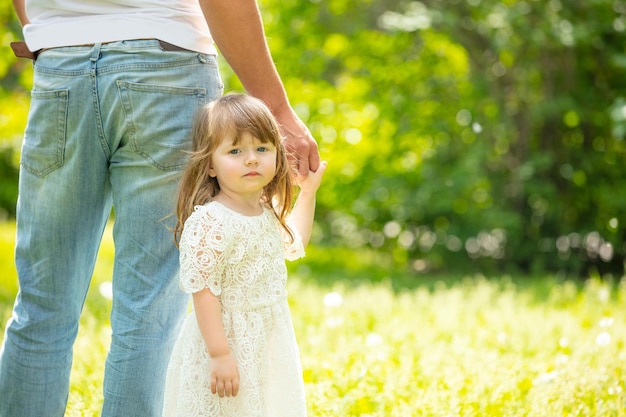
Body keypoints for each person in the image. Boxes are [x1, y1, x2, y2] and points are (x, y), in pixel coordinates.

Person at [0, 1, 320, 416]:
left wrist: (57, 32)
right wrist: (276, 110)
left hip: (62, 66)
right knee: (147, 311)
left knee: (42, 306)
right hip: (166, 64)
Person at [162, 93, 326, 417]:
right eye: (235, 151)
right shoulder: (210, 221)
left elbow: (295, 243)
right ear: (210, 164)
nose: (251, 159)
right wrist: (220, 354)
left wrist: (308, 193)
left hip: (266, 338)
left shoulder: (266, 211)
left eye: (262, 149)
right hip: (225, 340)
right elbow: (204, 292)